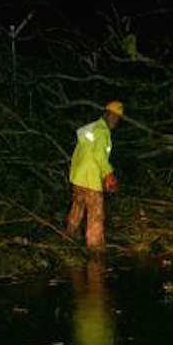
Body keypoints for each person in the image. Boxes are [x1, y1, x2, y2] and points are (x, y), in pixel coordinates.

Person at [66, 100, 124, 249]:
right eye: (114, 117)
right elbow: (99, 156)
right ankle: (95, 249)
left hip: (78, 177)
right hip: (91, 179)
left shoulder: (89, 128)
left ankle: (69, 237)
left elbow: (80, 151)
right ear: (106, 114)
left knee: (77, 207)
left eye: (118, 119)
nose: (115, 121)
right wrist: (109, 174)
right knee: (96, 216)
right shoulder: (103, 132)